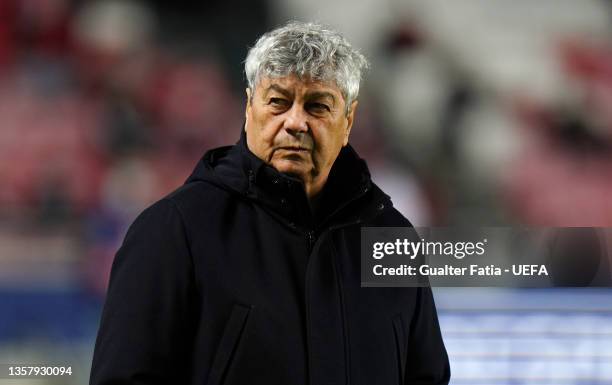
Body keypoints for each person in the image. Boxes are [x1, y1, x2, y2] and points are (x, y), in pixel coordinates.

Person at [90, 21, 450, 385]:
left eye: (318, 106)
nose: (295, 122)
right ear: (249, 108)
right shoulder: (173, 230)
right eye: (278, 101)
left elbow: (427, 375)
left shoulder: (392, 239)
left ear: (349, 121)